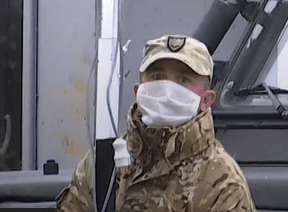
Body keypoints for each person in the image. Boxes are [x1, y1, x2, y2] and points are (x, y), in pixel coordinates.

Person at [57, 35, 254, 212]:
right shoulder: (102, 164)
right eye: (157, 77)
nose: (167, 90)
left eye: (183, 80)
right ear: (138, 91)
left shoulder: (222, 181)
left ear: (206, 100)